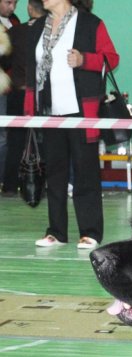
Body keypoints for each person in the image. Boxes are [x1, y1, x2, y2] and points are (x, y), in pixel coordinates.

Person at [23, 0, 119, 249]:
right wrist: (29, 111)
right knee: (55, 174)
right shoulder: (37, 27)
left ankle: (90, 232)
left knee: (86, 173)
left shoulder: (91, 24)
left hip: (82, 112)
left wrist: (84, 59)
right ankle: (56, 232)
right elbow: (31, 70)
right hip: (49, 113)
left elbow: (111, 59)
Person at [3, 0, 44, 197]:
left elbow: (5, 61)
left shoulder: (15, 32)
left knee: (15, 141)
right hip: (42, 94)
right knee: (43, 142)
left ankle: (10, 186)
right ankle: (40, 186)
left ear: (29, 7)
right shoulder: (51, 32)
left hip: (19, 93)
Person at [0, 0, 20, 188]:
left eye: (15, 3)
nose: (12, 7)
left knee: (4, 136)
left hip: (8, 90)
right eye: (8, 2)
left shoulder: (15, 22)